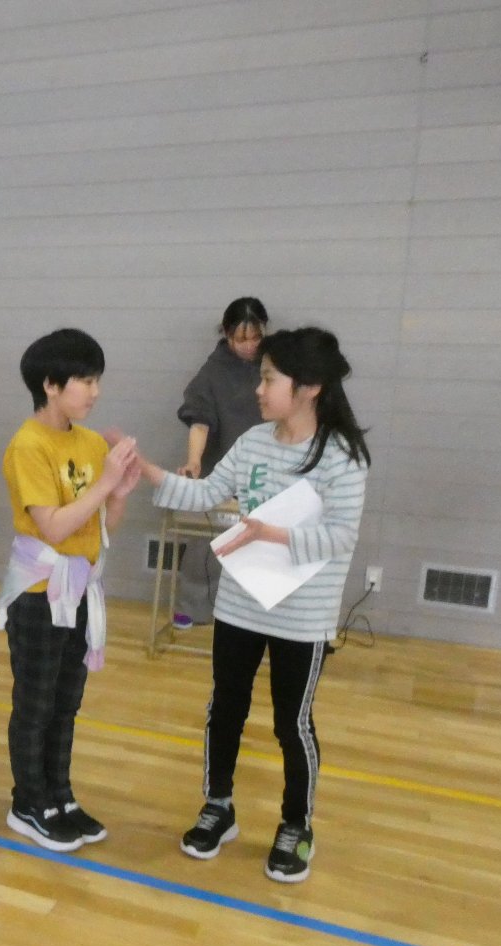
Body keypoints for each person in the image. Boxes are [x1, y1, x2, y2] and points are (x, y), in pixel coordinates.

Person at [138, 327, 369, 882]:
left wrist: (274, 534)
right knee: (226, 707)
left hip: (303, 617)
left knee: (293, 723)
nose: (258, 390)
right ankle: (218, 805)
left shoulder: (341, 457)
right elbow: (205, 491)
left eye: (269, 379)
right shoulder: (254, 442)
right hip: (241, 604)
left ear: (308, 387)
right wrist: (146, 472)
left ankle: (297, 824)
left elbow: (341, 535)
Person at [0, 329, 139, 852]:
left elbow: (101, 527)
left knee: (66, 701)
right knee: (35, 703)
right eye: (84, 380)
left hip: (80, 591)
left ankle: (59, 794)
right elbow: (53, 527)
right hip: (39, 592)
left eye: (97, 380)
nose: (94, 391)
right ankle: (28, 801)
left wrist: (119, 492)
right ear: (50, 385)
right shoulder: (28, 445)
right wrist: (104, 483)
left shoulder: (91, 443)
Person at [172, 297, 268, 629]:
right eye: (241, 339)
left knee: (263, 544)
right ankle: (192, 605)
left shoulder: (274, 365)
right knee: (205, 541)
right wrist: (194, 461)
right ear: (226, 334)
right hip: (222, 466)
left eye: (255, 337)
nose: (249, 345)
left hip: (266, 469)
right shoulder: (212, 372)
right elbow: (199, 421)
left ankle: (254, 616)